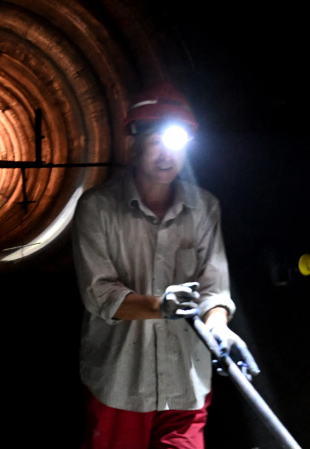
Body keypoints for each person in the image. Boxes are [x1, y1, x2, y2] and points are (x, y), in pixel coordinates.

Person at [72, 81, 259, 449]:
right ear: (134, 142)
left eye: (175, 144)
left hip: (186, 382)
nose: (165, 155)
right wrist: (161, 306)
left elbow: (213, 286)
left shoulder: (205, 208)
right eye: (155, 141)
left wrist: (218, 326)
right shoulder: (97, 209)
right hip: (121, 383)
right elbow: (99, 294)